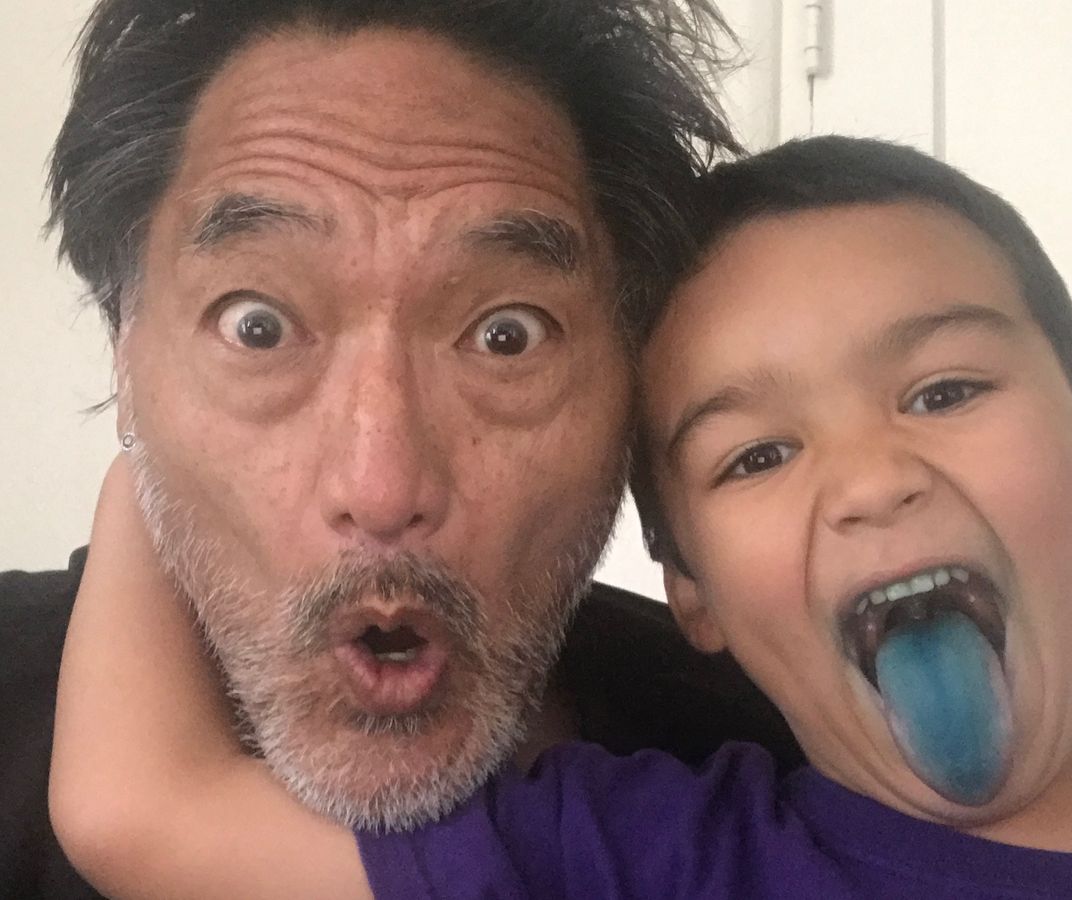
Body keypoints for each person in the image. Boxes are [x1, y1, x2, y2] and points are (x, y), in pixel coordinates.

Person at [51, 136, 1072, 899]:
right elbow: (143, 812)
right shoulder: (642, 854)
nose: (869, 483)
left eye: (943, 393)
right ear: (690, 589)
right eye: (756, 455)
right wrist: (166, 439)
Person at [0, 2, 805, 897]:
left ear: (632, 384)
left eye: (507, 336)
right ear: (126, 356)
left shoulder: (785, 767)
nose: (381, 489)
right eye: (258, 326)